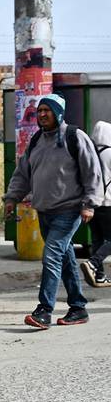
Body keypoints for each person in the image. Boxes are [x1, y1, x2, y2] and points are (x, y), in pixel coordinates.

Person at [4, 95, 100, 329]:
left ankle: (44, 310)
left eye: (47, 110)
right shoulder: (37, 140)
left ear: (58, 112)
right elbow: (23, 174)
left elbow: (92, 171)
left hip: (69, 211)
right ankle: (78, 307)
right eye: (40, 111)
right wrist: (12, 198)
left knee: (51, 255)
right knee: (65, 260)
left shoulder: (74, 136)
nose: (42, 114)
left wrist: (89, 204)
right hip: (45, 212)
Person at [80, 120, 111, 288]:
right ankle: (93, 263)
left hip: (92, 204)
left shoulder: (89, 153)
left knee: (98, 239)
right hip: (108, 202)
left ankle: (99, 276)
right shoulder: (110, 153)